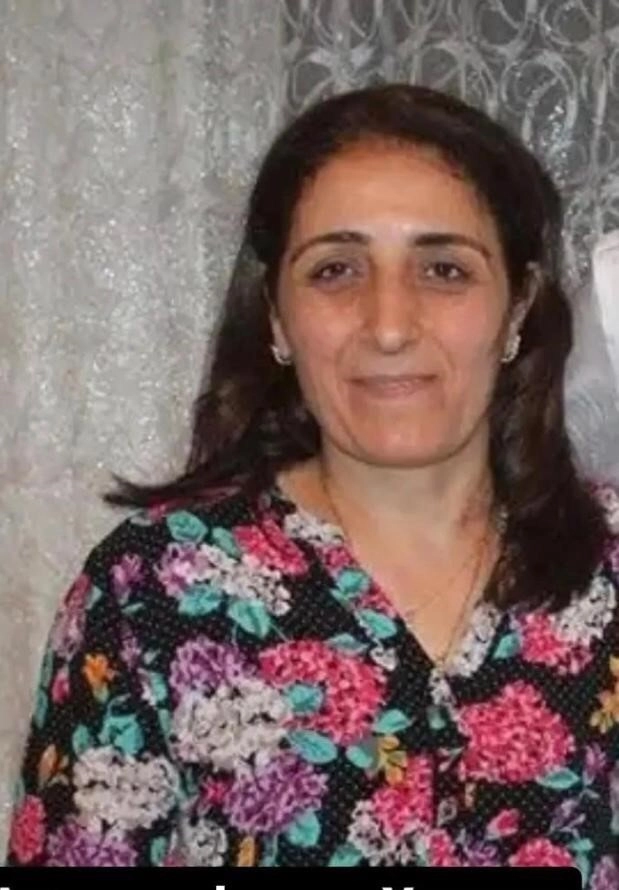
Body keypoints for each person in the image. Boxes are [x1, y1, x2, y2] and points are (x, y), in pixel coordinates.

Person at [4, 83, 619, 880]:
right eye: (335, 270)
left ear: (516, 309)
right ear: (275, 317)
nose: (389, 325)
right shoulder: (150, 594)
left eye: (443, 269)